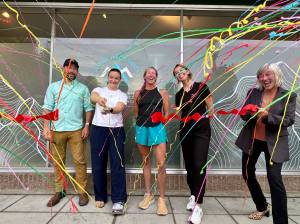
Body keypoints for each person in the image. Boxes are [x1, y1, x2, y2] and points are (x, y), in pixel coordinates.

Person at [235, 63, 297, 224]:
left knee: (274, 179)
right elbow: (244, 115)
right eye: (261, 75)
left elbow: (289, 120)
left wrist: (267, 115)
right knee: (247, 173)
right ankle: (262, 206)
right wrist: (248, 112)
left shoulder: (288, 95)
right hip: (252, 139)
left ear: (276, 75)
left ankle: (281, 221)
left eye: (268, 74)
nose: (264, 78)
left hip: (275, 142)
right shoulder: (253, 92)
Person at [43, 58, 93, 207]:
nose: (71, 71)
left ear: (77, 72)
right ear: (64, 69)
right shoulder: (53, 87)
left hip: (76, 130)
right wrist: (46, 127)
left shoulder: (83, 89)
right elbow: (47, 108)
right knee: (58, 162)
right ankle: (59, 191)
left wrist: (86, 126)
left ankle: (82, 192)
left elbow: (88, 108)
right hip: (57, 130)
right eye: (68, 68)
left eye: (74, 69)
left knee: (79, 161)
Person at [173, 64, 214, 224]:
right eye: (176, 73)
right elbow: (180, 113)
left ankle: (198, 206)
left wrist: (206, 118)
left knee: (199, 164)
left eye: (181, 71)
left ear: (188, 71)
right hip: (185, 130)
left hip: (201, 131)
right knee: (190, 165)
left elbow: (210, 105)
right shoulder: (178, 94)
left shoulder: (201, 87)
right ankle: (193, 194)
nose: (179, 74)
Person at [90, 68, 128, 215]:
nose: (113, 80)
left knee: (117, 164)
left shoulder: (122, 95)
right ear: (108, 78)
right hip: (98, 129)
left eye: (116, 78)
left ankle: (118, 199)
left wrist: (110, 109)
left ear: (120, 80)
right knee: (98, 163)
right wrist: (99, 100)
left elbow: (120, 107)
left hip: (116, 130)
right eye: (111, 77)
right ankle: (100, 196)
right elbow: (93, 97)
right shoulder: (99, 89)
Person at [134, 66, 169, 216]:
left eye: (153, 73)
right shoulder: (138, 93)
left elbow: (167, 113)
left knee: (161, 164)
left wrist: (160, 123)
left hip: (157, 129)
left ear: (156, 77)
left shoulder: (162, 93)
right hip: (142, 129)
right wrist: (142, 124)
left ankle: (162, 199)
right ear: (144, 76)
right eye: (148, 72)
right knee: (146, 161)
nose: (151, 75)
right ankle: (148, 194)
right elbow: (136, 114)